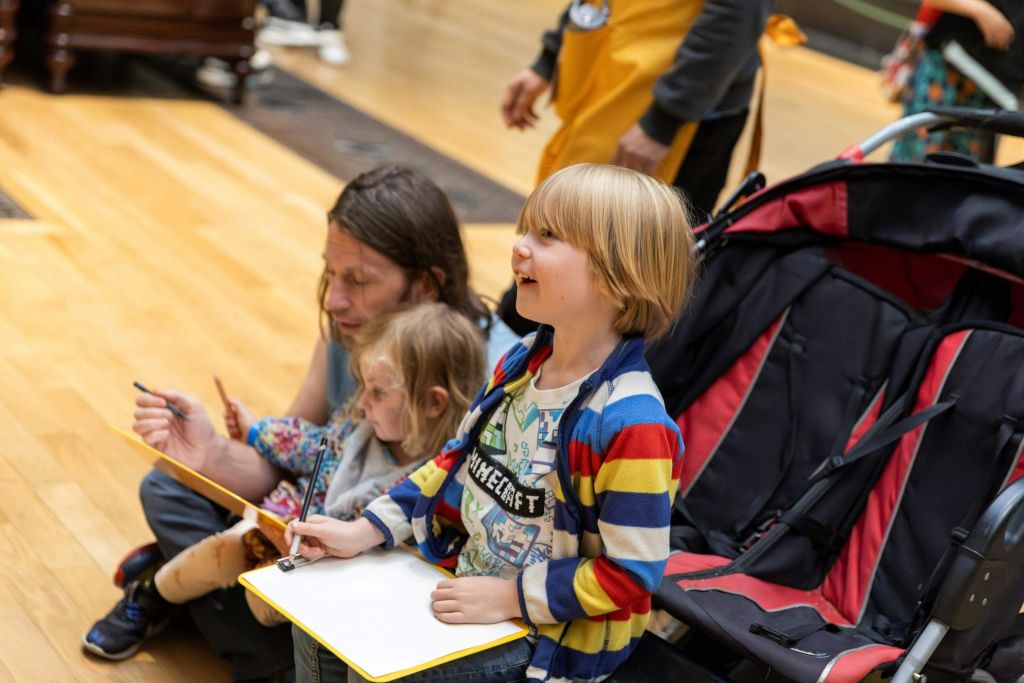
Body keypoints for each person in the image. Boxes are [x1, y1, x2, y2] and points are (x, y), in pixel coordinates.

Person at [91, 167, 519, 682]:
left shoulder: (498, 377)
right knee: (167, 485)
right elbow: (292, 460)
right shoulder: (348, 327)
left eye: (358, 279)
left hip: (388, 561)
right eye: (331, 274)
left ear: (425, 284)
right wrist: (208, 452)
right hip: (316, 527)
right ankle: (246, 637)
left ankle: (185, 596)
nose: (335, 300)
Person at [286, 163, 698, 683]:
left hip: (545, 639)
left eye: (547, 235)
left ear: (620, 277)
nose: (520, 247)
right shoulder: (521, 362)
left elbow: (631, 574)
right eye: (525, 230)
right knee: (317, 622)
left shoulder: (632, 425)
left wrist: (510, 598)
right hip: (471, 588)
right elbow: (451, 464)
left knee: (385, 672)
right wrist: (363, 530)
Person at [83, 303, 487, 661]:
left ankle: (183, 594)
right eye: (363, 386)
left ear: (433, 403)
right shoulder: (358, 426)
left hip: (332, 581)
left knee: (262, 606)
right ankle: (151, 594)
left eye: (378, 392)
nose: (363, 401)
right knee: (219, 548)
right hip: (277, 527)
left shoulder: (440, 479)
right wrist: (256, 431)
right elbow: (305, 443)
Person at [501, 0, 775, 220]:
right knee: (564, 228)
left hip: (679, 124)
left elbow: (736, 15)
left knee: (643, 259)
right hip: (611, 84)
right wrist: (549, 57)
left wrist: (663, 122)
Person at [891, 0, 1022, 163]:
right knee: (916, 159)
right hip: (947, 66)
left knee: (967, 169)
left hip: (996, 90)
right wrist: (979, 10)